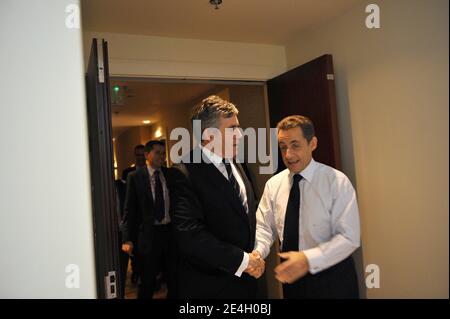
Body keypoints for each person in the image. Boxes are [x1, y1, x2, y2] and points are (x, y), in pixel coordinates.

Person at [254, 115, 360, 299]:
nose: (288, 154)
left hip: (334, 281)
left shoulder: (336, 182)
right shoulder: (273, 185)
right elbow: (264, 228)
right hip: (292, 282)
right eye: (283, 147)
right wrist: (257, 253)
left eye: (295, 145)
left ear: (313, 143)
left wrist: (307, 259)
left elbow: (349, 237)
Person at [169, 95, 264, 298]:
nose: (240, 134)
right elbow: (190, 236)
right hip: (211, 288)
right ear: (208, 135)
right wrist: (243, 261)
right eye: (232, 129)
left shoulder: (239, 164)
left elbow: (249, 215)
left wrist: (256, 254)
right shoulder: (184, 172)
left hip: (248, 285)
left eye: (238, 127)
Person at [121, 140, 176, 299]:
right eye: (157, 152)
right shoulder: (135, 177)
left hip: (169, 234)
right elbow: (129, 210)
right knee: (147, 282)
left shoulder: (170, 175)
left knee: (173, 279)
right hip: (148, 236)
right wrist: (127, 239)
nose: (162, 156)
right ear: (147, 154)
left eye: (164, 153)